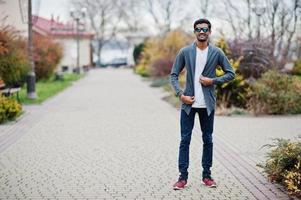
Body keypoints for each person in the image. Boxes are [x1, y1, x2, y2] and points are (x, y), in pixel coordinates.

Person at [170, 18, 235, 190]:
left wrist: (212, 80)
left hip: (207, 105)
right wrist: (180, 95)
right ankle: (182, 178)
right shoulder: (185, 52)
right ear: (194, 32)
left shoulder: (216, 52)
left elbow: (231, 73)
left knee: (208, 140)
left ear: (209, 32)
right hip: (188, 105)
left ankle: (207, 176)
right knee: (185, 140)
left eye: (205, 29)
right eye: (198, 29)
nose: (201, 32)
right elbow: (174, 75)